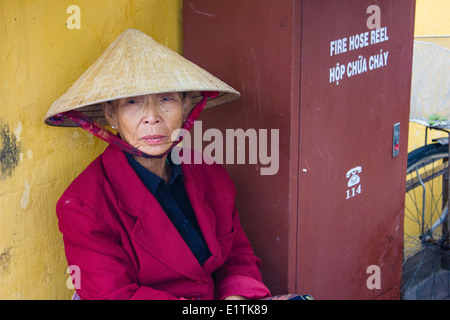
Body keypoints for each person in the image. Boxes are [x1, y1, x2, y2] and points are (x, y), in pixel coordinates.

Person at [45, 29, 271, 300]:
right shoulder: (83, 205)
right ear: (110, 115)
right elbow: (114, 295)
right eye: (133, 102)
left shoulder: (210, 174)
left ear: (186, 105)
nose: (152, 117)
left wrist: (235, 299)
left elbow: (237, 255)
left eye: (166, 99)